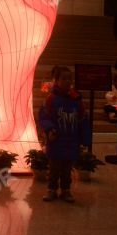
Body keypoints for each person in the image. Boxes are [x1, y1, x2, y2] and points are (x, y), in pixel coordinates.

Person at [39, 65, 91, 203]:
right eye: (64, 78)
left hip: (71, 141)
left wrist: (84, 139)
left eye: (70, 78)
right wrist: (50, 129)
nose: (67, 81)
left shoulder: (76, 100)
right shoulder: (51, 99)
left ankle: (66, 191)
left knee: (67, 169)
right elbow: (44, 116)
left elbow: (83, 119)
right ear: (56, 80)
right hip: (56, 140)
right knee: (54, 167)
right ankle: (51, 189)